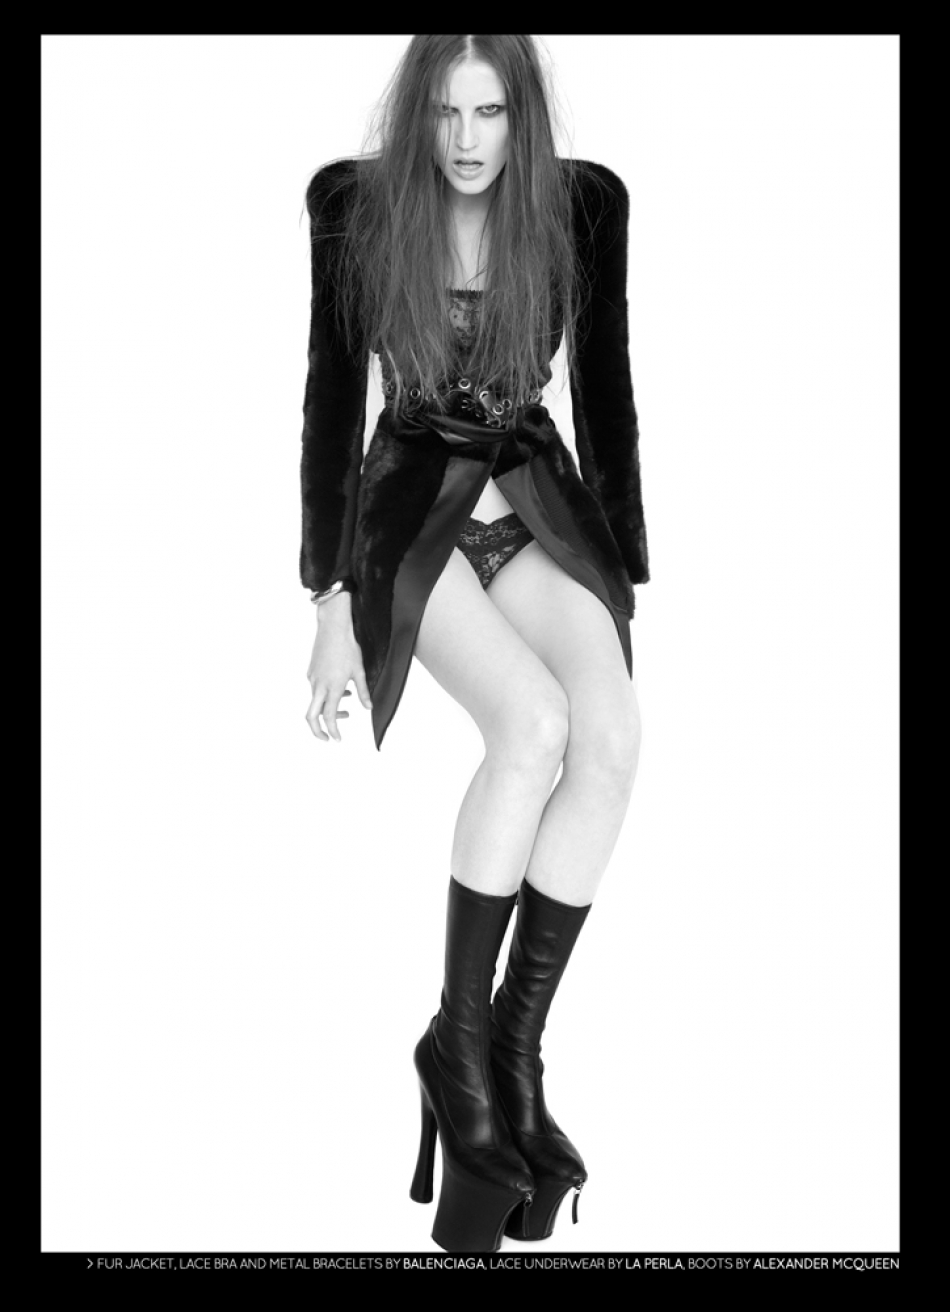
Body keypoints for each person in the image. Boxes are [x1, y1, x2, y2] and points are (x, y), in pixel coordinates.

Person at [300, 34, 649, 1253]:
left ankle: (508, 1052)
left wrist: (619, 573)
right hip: (411, 519)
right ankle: (455, 1051)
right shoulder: (355, 208)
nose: (464, 140)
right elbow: (329, 399)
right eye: (445, 112)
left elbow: (604, 391)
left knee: (609, 736)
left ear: (519, 115)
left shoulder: (582, 207)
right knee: (530, 726)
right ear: (420, 113)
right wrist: (328, 598)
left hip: (530, 503)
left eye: (488, 112)